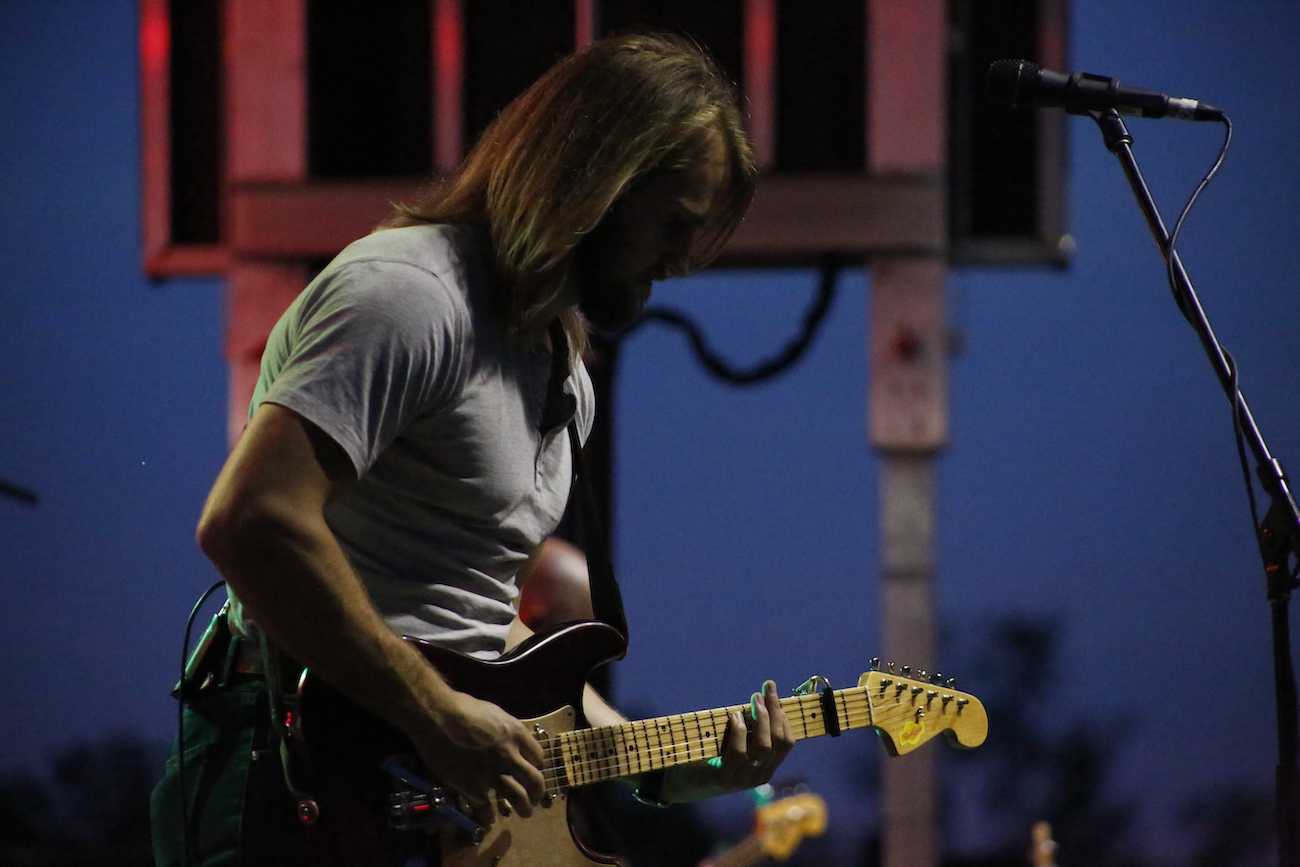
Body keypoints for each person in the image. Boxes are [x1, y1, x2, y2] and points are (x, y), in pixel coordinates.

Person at [151, 31, 794, 866]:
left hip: (413, 794)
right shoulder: (411, 295)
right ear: (598, 180)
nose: (680, 263)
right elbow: (251, 521)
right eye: (675, 224)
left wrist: (673, 766)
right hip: (298, 774)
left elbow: (483, 629)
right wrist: (433, 713)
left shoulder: (563, 377)